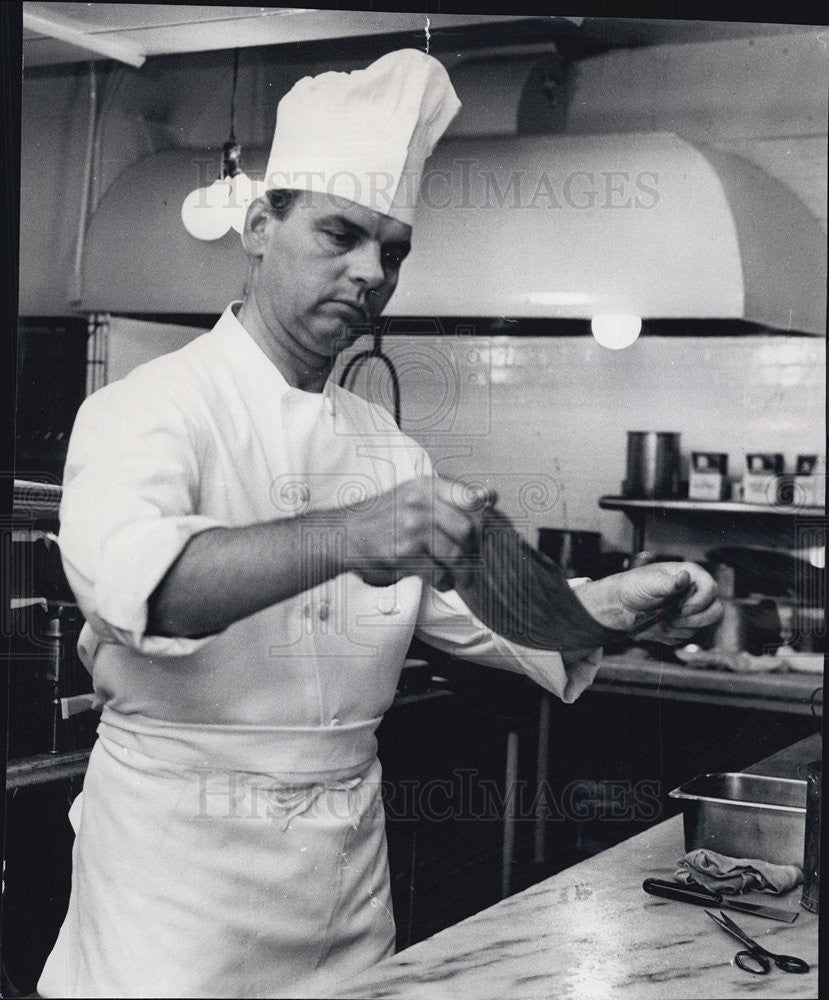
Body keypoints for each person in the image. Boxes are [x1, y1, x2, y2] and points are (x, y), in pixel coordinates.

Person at [38, 49, 722, 999]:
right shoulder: (146, 408)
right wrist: (352, 534)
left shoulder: (384, 446)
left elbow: (500, 623)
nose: (370, 272)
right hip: (172, 900)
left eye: (392, 249)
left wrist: (619, 602)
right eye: (339, 234)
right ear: (257, 226)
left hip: (344, 896)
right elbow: (152, 590)